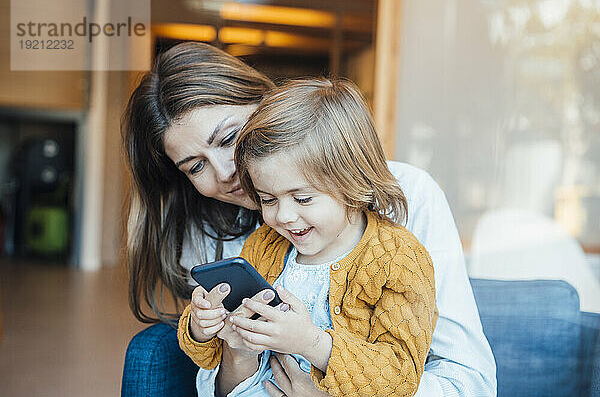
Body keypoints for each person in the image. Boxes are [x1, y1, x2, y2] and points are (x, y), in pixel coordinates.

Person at [123, 41, 496, 396]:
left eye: (229, 138)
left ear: (268, 105)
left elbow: (468, 383)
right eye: (196, 166)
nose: (224, 172)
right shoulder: (224, 241)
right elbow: (218, 374)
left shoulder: (409, 203)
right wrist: (232, 348)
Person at [177, 78, 438, 396]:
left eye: (302, 199)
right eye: (268, 200)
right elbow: (213, 356)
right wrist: (201, 326)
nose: (283, 217)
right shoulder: (264, 245)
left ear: (353, 182)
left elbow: (400, 376)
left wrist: (311, 343)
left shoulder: (398, 257)